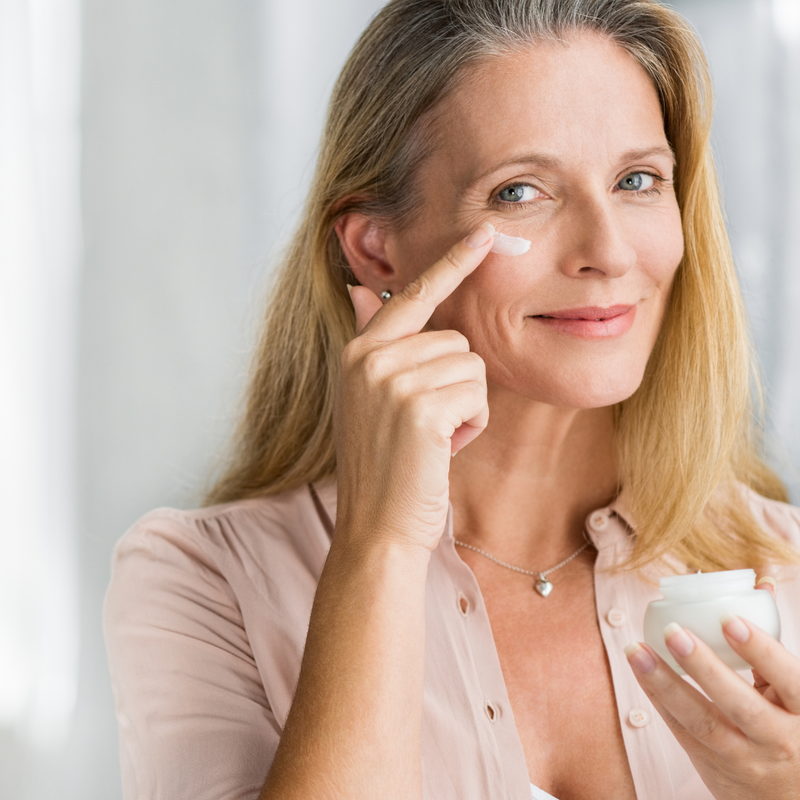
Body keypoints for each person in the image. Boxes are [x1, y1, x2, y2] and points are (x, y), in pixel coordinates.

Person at [104, 1, 800, 798]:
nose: (609, 252)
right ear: (376, 249)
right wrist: (382, 545)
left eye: (636, 181)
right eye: (520, 192)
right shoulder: (206, 583)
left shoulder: (783, 570)